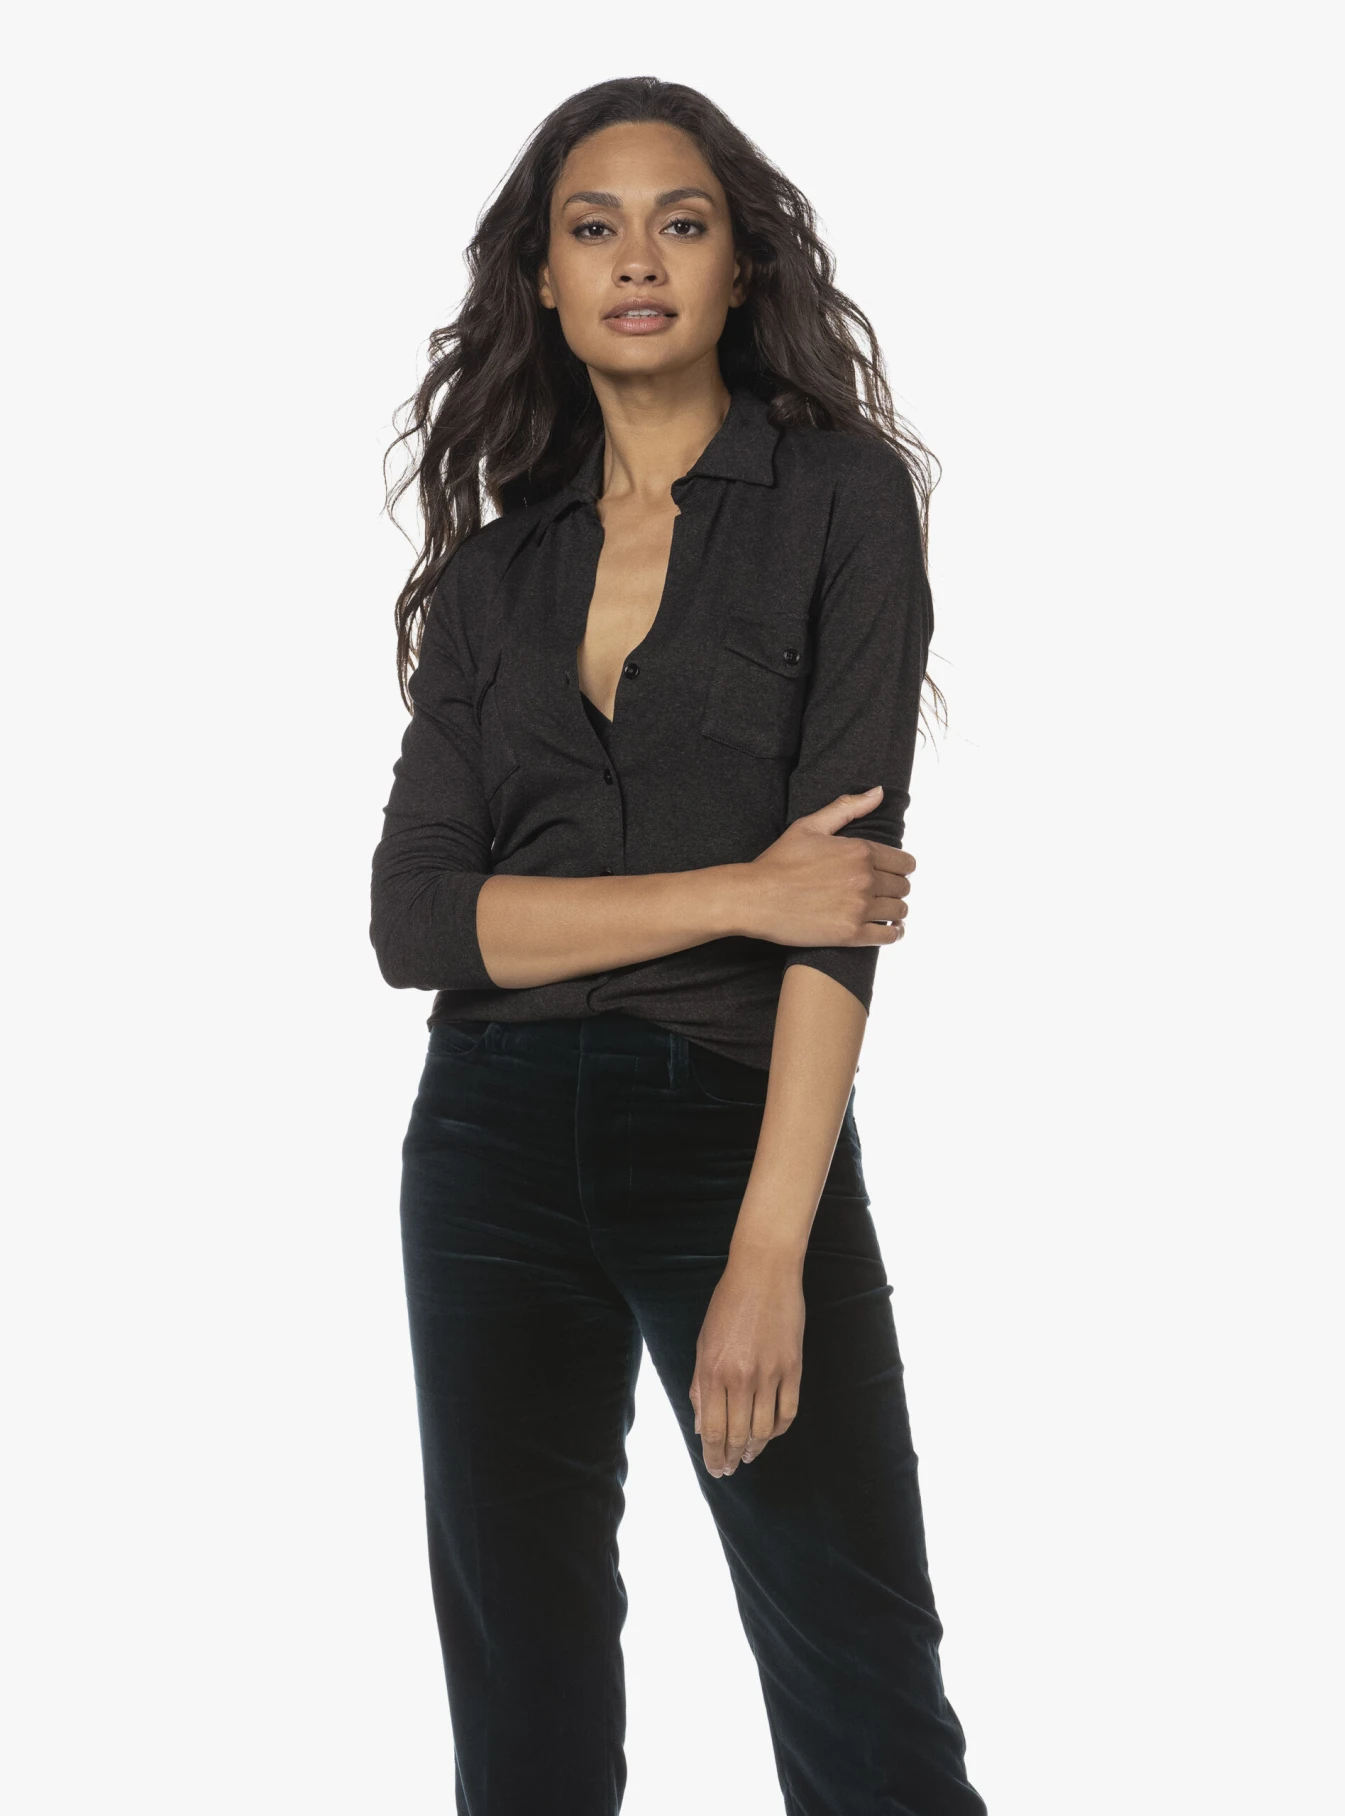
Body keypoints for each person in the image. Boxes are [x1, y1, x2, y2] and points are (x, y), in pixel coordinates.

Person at [370, 74, 986, 1816]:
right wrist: (736, 890)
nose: (637, 259)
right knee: (524, 1706)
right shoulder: (494, 580)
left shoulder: (837, 501)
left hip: (730, 1121)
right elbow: (417, 923)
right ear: (545, 279)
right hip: (484, 1145)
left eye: (681, 223)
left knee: (862, 1687)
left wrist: (772, 1246)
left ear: (736, 265)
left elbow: (839, 916)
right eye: (596, 227)